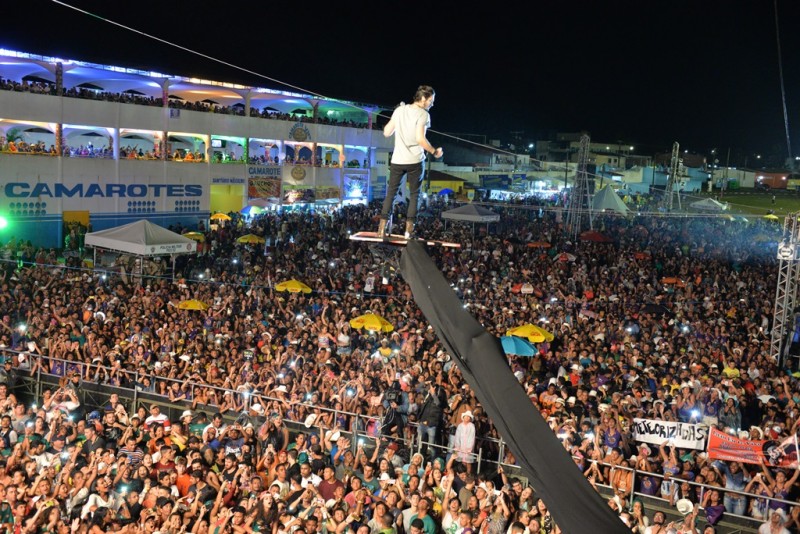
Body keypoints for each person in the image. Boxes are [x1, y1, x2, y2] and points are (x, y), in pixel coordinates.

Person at [378, 85, 443, 239]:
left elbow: (387, 132)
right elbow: (420, 139)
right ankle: (409, 230)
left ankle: (381, 228)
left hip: (398, 160)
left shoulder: (400, 110)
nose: (432, 104)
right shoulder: (423, 114)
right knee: (414, 195)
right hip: (415, 160)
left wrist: (398, 116)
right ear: (422, 99)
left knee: (391, 194)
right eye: (430, 101)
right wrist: (434, 151)